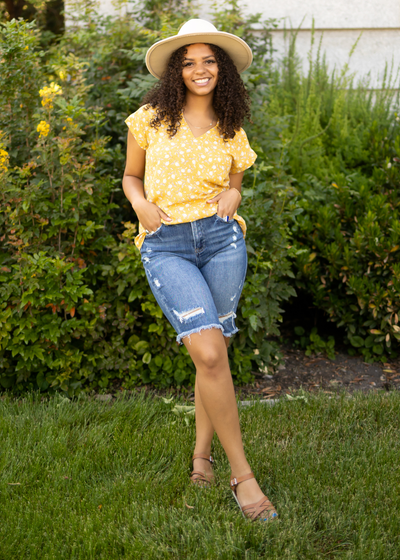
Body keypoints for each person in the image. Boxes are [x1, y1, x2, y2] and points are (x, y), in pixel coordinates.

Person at [122, 19, 277, 522]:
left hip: (221, 241)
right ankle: (244, 477)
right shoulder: (149, 119)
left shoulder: (232, 127)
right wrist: (140, 203)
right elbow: (129, 176)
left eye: (209, 60)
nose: (199, 69)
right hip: (165, 245)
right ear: (176, 72)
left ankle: (201, 458)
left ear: (222, 69)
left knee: (211, 356)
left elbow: (235, 183)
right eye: (188, 62)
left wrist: (234, 192)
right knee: (209, 350)